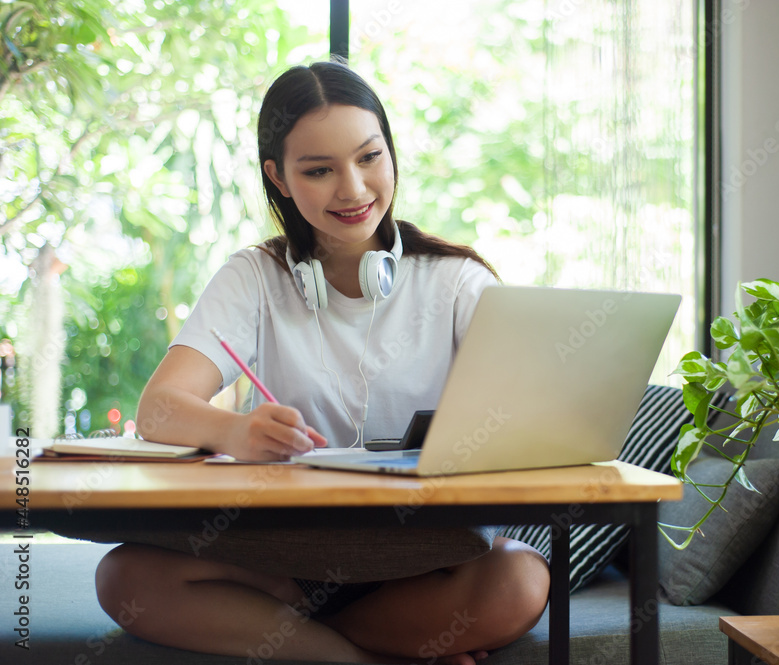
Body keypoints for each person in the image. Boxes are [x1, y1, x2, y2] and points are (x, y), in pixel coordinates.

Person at [94, 58, 550, 664]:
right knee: (123, 580)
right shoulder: (254, 277)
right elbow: (159, 409)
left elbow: (529, 417)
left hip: (420, 557)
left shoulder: (456, 282)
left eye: (369, 158)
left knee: (520, 579)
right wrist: (235, 431)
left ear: (390, 153)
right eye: (319, 170)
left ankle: (302, 634)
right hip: (289, 552)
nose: (354, 190)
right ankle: (368, 656)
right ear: (278, 178)